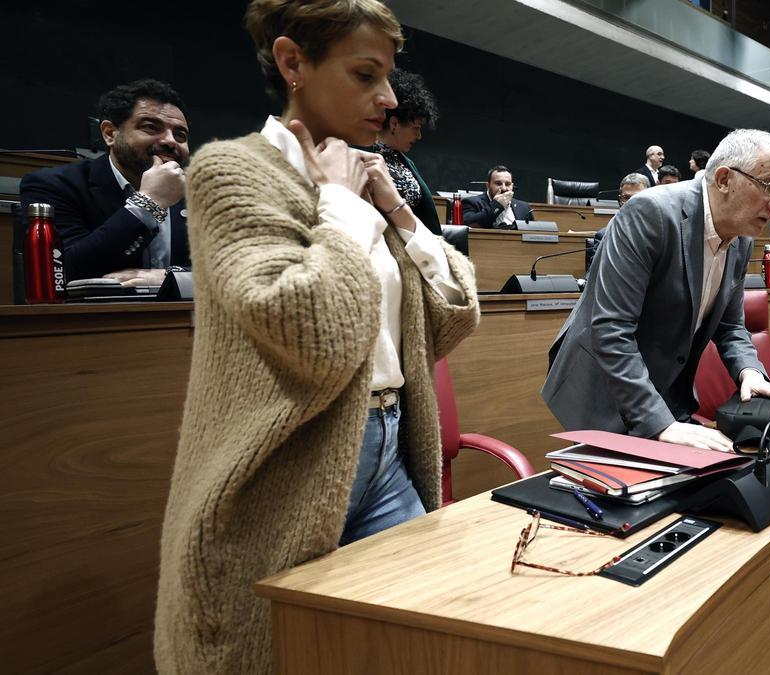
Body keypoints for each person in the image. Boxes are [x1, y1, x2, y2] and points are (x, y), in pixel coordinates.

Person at [154, 1, 479, 672]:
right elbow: (313, 337)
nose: (388, 100)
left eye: (389, 77)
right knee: (286, 652)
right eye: (366, 74)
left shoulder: (367, 182)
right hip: (290, 461)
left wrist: (393, 210)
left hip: (387, 447)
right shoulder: (231, 173)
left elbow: (453, 314)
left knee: (417, 644)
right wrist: (338, 208)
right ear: (292, 62)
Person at [544, 129, 770, 451]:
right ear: (723, 179)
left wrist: (750, 371)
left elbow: (731, 326)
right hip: (603, 388)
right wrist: (658, 422)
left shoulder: (742, 235)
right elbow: (611, 328)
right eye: (769, 186)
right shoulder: (650, 212)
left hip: (667, 390)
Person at [20, 79, 191, 283]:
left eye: (180, 135)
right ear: (110, 133)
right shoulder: (53, 186)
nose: (171, 141)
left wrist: (169, 276)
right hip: (94, 315)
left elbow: (233, 272)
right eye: (151, 128)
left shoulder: (199, 194)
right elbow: (62, 273)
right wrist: (149, 203)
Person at [367, 68, 443, 235]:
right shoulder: (360, 155)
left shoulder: (406, 162)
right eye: (416, 128)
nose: (419, 135)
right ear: (394, 124)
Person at [461, 165, 534, 228]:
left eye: (508, 184)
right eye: (498, 183)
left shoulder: (523, 207)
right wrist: (496, 205)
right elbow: (468, 224)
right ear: (488, 186)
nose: (504, 188)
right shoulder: (471, 203)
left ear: (512, 186)